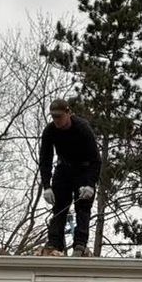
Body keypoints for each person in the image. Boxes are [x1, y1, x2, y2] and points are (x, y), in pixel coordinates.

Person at [39, 98, 102, 255]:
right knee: (59, 205)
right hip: (64, 169)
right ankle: (54, 243)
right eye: (53, 117)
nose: (56, 120)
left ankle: (80, 244)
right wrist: (46, 186)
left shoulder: (82, 128)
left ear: (68, 113)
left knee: (83, 205)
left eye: (59, 116)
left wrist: (90, 184)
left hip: (84, 169)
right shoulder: (50, 131)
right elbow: (45, 159)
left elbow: (96, 159)